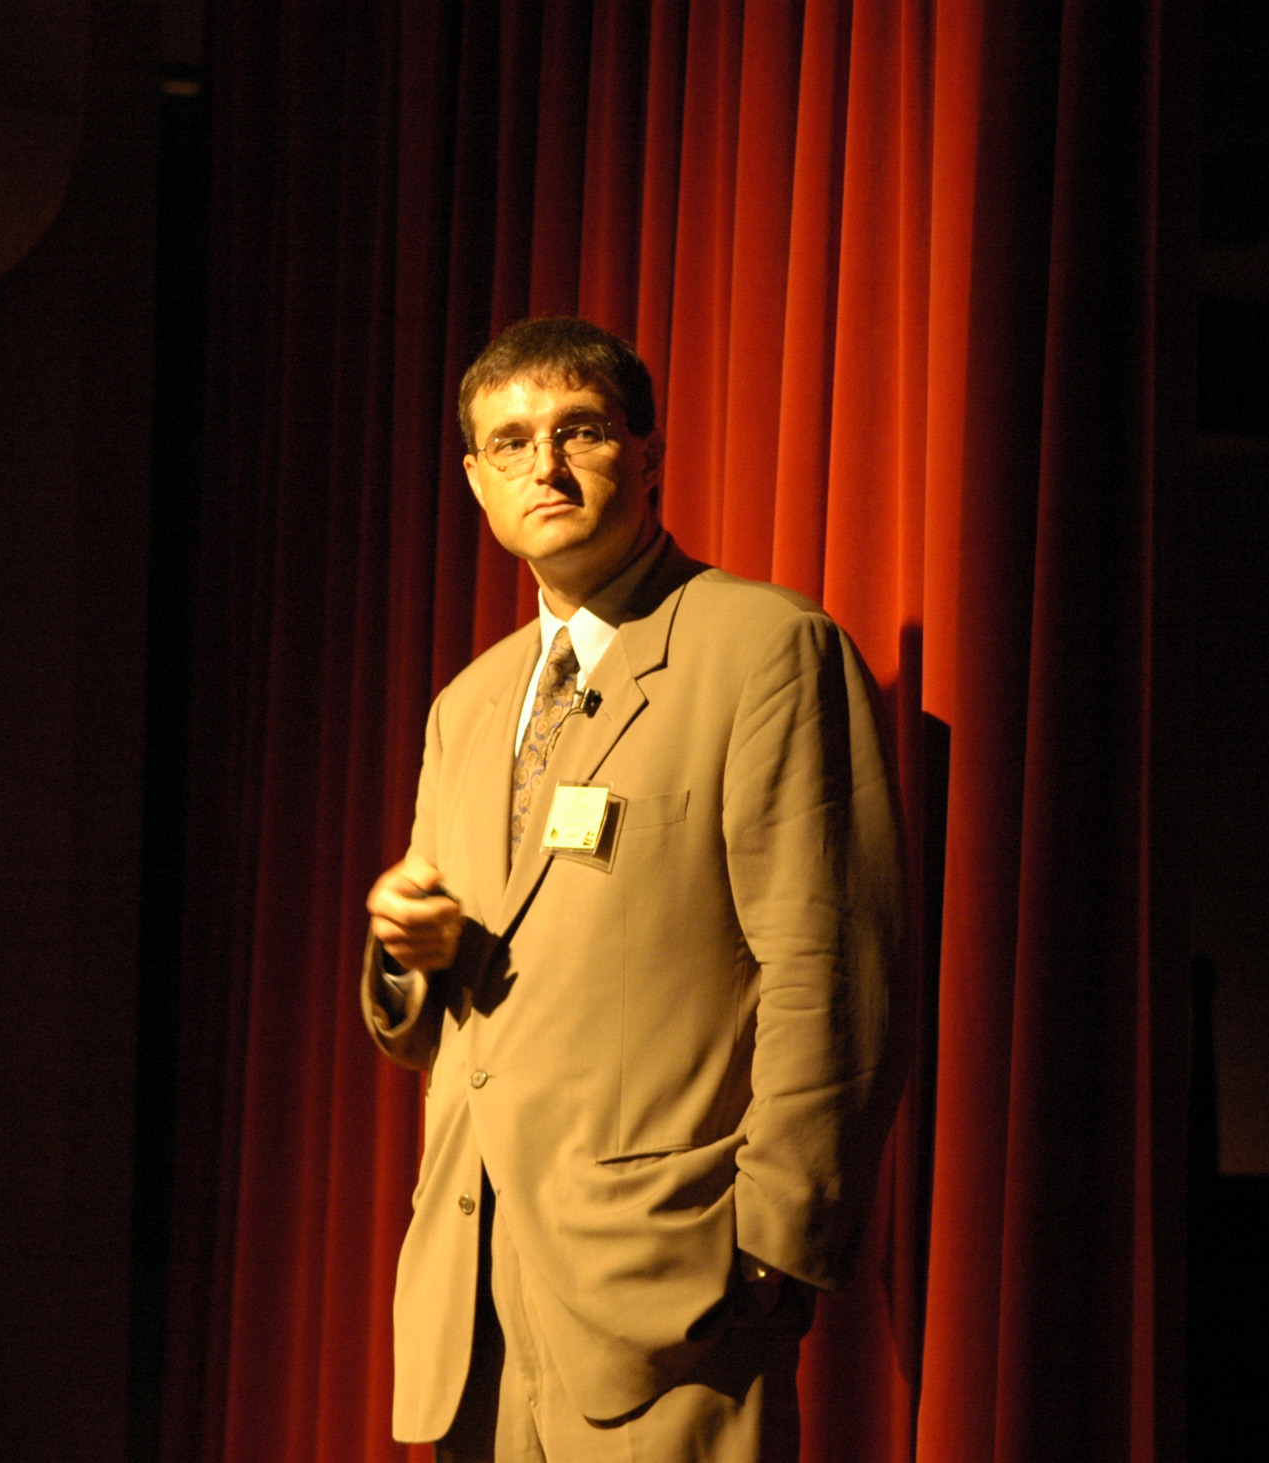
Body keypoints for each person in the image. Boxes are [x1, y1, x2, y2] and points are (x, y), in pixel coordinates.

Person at [362, 316, 904, 1462]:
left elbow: (829, 969)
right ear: (475, 480)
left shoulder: (764, 648)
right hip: (476, 1293)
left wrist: (768, 1247)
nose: (545, 468)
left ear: (647, 454)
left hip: (673, 1291)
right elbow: (459, 1025)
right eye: (510, 443)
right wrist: (409, 956)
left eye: (581, 431)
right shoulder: (468, 704)